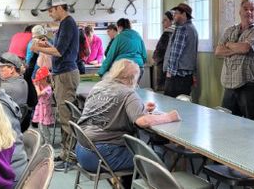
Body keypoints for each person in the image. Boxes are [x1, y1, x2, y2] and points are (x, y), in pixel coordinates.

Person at [76, 59, 181, 189]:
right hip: (100, 155)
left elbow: (109, 108)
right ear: (132, 79)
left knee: (131, 150)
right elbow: (143, 121)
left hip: (81, 150)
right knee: (155, 159)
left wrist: (139, 108)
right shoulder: (128, 92)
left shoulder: (99, 86)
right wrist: (169, 117)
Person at [31, 0, 80, 170]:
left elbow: (59, 52)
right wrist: (46, 44)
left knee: (66, 117)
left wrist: (38, 48)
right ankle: (65, 154)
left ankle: (70, 157)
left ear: (59, 7)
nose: (50, 14)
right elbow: (60, 48)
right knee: (63, 114)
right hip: (62, 73)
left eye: (51, 10)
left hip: (66, 74)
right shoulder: (64, 25)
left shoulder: (67, 23)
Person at [215, 0, 254, 120]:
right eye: (245, 8)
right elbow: (218, 52)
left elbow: (245, 48)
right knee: (227, 123)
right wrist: (237, 48)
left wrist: (228, 44)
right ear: (239, 11)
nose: (249, 12)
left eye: (252, 9)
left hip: (250, 85)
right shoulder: (230, 30)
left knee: (252, 126)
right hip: (230, 85)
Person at [163, 3, 199, 98]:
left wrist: (169, 73)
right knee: (182, 106)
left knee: (169, 106)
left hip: (177, 77)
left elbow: (175, 53)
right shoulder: (193, 29)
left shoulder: (182, 29)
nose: (174, 15)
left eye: (176, 13)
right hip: (187, 76)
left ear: (184, 15)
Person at [152, 11, 174, 92]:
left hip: (163, 65)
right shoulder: (172, 32)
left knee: (161, 89)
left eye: (165, 20)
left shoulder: (168, 33)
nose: (162, 22)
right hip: (165, 65)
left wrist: (155, 58)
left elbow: (161, 50)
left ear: (172, 21)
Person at [32, 67, 54, 142]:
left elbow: (38, 94)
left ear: (44, 79)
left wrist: (36, 86)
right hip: (40, 109)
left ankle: (48, 142)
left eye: (39, 80)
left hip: (45, 110)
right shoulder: (42, 86)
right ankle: (43, 141)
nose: (38, 82)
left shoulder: (48, 88)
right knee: (40, 127)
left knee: (44, 127)